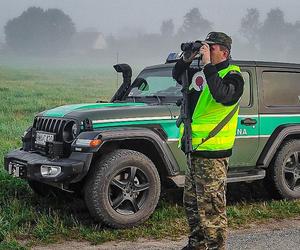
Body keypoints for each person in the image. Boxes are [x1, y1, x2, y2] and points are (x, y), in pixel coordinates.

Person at [173, 32, 244, 250]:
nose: (206, 51)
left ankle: (216, 247)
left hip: (214, 153)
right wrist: (186, 58)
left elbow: (222, 95)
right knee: (192, 204)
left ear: (224, 52)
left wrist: (207, 66)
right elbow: (177, 74)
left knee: (211, 208)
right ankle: (196, 245)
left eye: (210, 47)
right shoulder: (203, 74)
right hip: (194, 150)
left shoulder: (234, 76)